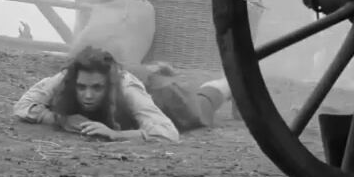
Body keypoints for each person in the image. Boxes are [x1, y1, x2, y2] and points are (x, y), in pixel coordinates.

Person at [13, 47, 233, 142]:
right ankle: (156, 69)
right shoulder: (65, 77)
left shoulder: (126, 87)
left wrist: (116, 135)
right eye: (81, 87)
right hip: (134, 95)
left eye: (97, 88)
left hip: (162, 99)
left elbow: (168, 133)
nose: (87, 95)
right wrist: (59, 119)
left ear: (108, 85)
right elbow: (23, 105)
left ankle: (230, 84)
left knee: (199, 109)